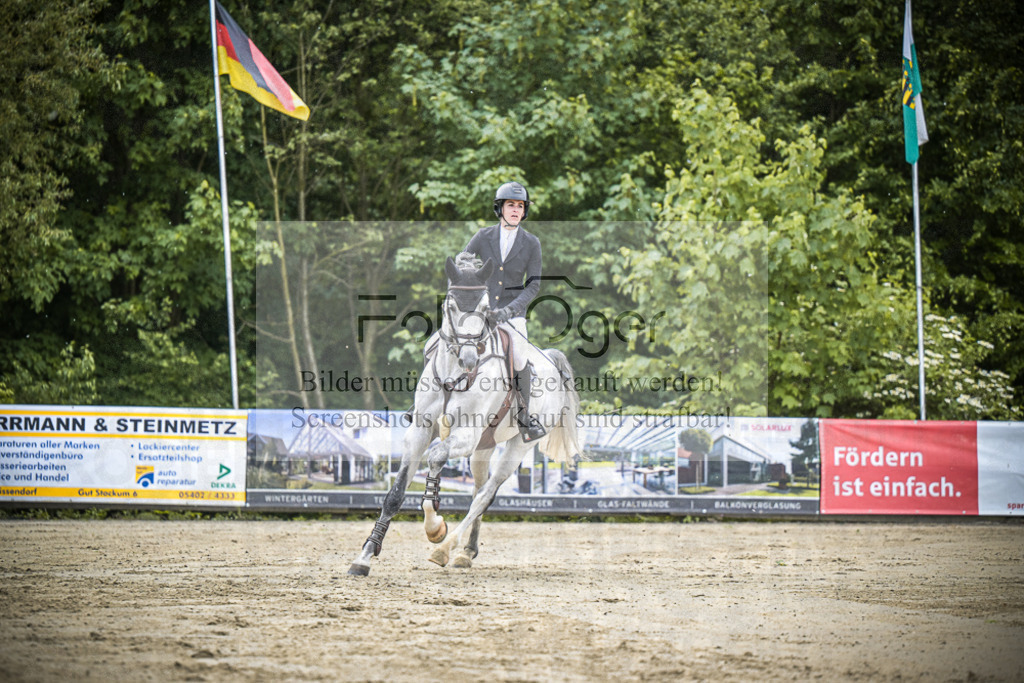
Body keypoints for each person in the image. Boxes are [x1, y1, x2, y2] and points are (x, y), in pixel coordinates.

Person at [465, 181, 546, 441]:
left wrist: (510, 311)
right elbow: (462, 262)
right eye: (510, 205)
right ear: (500, 208)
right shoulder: (482, 236)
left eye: (520, 206)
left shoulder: (531, 243)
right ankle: (425, 404)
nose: (515, 210)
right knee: (448, 342)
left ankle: (524, 416)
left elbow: (533, 286)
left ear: (524, 212)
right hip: (480, 311)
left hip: (512, 314)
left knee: (520, 358)